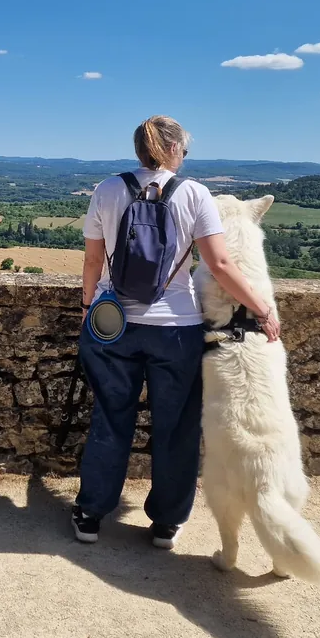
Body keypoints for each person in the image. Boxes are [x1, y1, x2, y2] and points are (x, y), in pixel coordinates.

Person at [73, 115, 282, 548]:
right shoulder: (194, 194)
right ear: (172, 150)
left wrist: (89, 307)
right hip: (176, 328)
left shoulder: (107, 190)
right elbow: (220, 264)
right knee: (176, 426)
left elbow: (93, 260)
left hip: (114, 324)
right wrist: (262, 310)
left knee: (110, 418)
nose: (184, 157)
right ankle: (167, 522)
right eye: (184, 150)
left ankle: (91, 513)